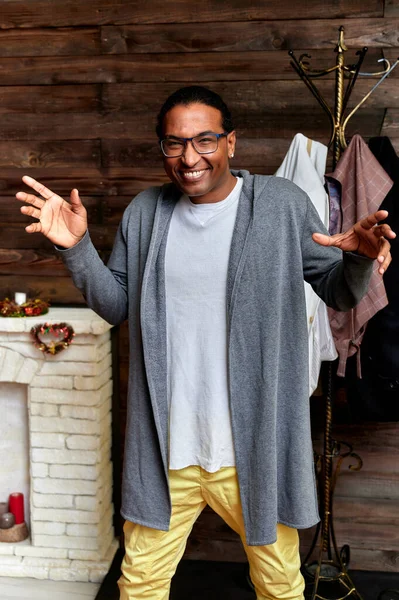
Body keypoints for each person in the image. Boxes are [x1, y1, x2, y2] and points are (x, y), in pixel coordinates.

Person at [16, 86, 395, 600]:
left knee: (279, 584)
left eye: (204, 140)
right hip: (168, 449)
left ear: (231, 142)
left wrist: (357, 260)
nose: (189, 157)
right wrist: (77, 248)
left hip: (252, 449)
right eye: (175, 144)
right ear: (163, 149)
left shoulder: (281, 206)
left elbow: (338, 292)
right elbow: (116, 305)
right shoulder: (146, 213)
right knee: (141, 583)